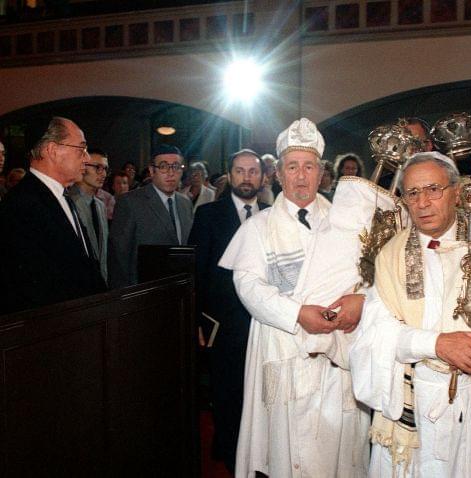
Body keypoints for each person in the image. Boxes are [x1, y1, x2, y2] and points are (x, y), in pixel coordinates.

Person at [350, 151, 471, 477]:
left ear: (456, 192)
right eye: (412, 193)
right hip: (416, 399)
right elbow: (375, 332)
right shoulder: (390, 256)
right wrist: (436, 344)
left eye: (433, 189)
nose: (423, 202)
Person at [219, 118, 370, 477]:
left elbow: (373, 279)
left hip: (339, 348)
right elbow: (248, 285)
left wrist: (361, 302)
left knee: (339, 447)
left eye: (309, 167)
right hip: (282, 344)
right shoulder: (258, 227)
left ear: (322, 174)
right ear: (279, 175)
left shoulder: (347, 223)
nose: (301, 176)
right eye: (292, 167)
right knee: (287, 450)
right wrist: (297, 313)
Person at [187, 149, 268, 473]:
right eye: (240, 170)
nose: (246, 177)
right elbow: (195, 273)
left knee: (259, 393)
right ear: (229, 175)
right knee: (227, 391)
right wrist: (200, 321)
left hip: (264, 323)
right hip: (223, 323)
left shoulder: (271, 214)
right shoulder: (208, 214)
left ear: (262, 177)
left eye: (252, 171)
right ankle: (233, 454)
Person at [0, 117, 106, 314]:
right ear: (52, 150)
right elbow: (31, 287)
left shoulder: (63, 197)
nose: (87, 158)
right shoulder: (20, 205)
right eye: (81, 149)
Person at [108, 144, 193, 289]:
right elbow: (119, 257)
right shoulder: (130, 202)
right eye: (164, 166)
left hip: (179, 290)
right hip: (144, 291)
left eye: (176, 166)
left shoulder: (185, 203)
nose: (171, 173)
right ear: (152, 171)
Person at [69, 148, 110, 281]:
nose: (103, 173)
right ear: (82, 165)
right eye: (98, 167)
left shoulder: (100, 205)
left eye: (105, 169)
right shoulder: (68, 202)